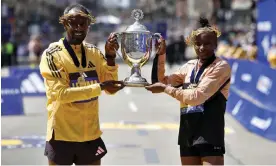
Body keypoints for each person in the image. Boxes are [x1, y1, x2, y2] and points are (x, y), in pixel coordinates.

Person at [39, 4, 124, 165]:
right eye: (73, 22)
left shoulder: (94, 52)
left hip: (90, 136)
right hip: (62, 136)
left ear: (88, 26)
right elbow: (60, 94)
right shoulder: (52, 55)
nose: (78, 27)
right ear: (65, 24)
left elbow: (110, 88)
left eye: (83, 23)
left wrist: (111, 58)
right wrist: (99, 87)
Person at [146, 17, 231, 165]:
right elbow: (160, 82)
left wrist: (166, 89)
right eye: (198, 44)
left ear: (215, 44)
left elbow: (195, 97)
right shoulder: (189, 66)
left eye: (207, 44)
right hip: (187, 133)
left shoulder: (221, 67)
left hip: (209, 134)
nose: (202, 48)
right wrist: (161, 55)